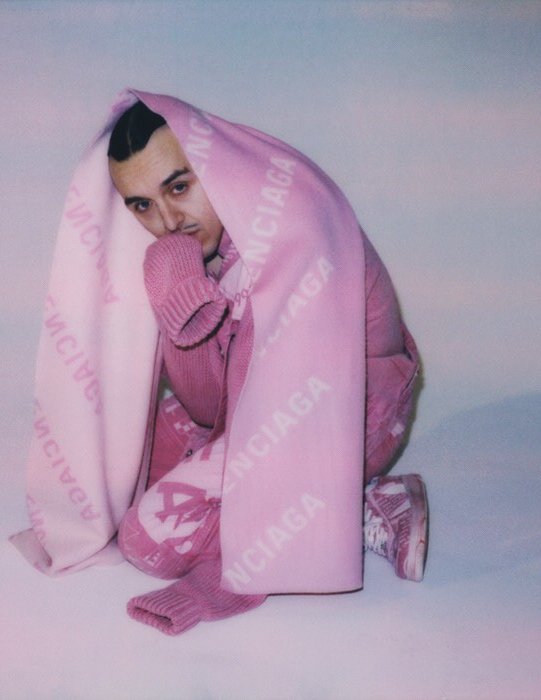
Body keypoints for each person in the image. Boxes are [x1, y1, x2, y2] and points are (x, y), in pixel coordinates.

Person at [105, 100, 428, 635]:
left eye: (179, 187)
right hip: (254, 404)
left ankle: (358, 509)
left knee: (145, 541)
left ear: (219, 166)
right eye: (142, 204)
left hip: (345, 415)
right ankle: (350, 500)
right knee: (125, 461)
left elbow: (262, 409)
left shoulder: (287, 232)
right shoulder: (209, 239)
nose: (167, 222)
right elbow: (205, 407)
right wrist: (178, 292)